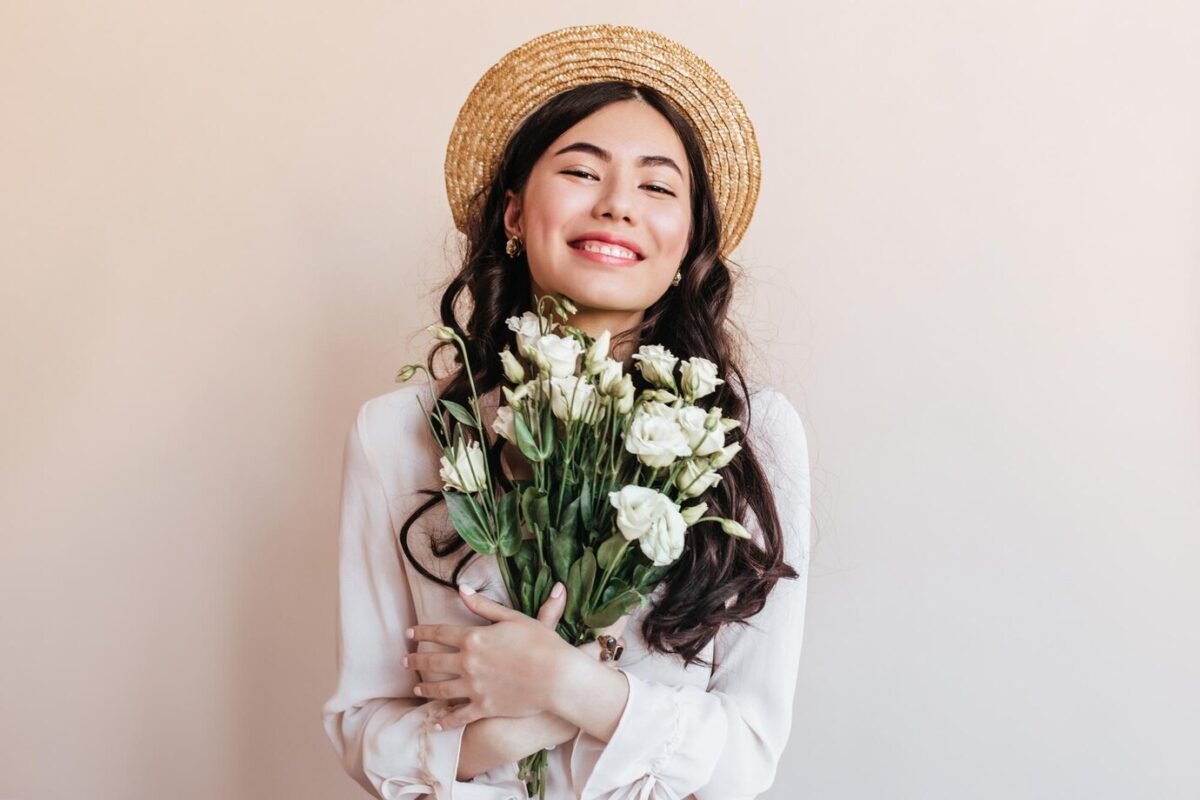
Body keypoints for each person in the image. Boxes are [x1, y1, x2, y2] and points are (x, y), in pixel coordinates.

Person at [322, 24, 813, 800]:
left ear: (687, 245)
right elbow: (363, 726)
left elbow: (747, 756)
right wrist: (519, 725)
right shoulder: (398, 433)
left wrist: (570, 685)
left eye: (656, 186)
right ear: (514, 215)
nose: (618, 206)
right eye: (582, 172)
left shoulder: (750, 433)